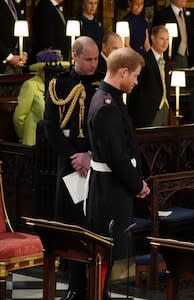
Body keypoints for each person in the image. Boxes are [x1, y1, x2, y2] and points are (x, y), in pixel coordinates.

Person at [87, 47, 150, 298]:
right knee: (110, 253)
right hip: (110, 190)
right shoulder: (106, 105)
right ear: (123, 72)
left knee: (117, 252)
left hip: (113, 186)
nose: (136, 82)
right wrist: (138, 185)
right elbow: (116, 157)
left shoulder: (106, 98)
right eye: (134, 76)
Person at [43, 36, 101, 300]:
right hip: (69, 164)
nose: (93, 64)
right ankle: (74, 284)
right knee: (71, 224)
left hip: (96, 162)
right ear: (75, 56)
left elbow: (106, 130)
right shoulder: (58, 84)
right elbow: (51, 129)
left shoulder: (103, 83)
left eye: (96, 59)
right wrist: (74, 156)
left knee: (94, 225)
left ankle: (97, 287)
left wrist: (89, 154)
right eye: (88, 59)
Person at [13, 49, 66, 146]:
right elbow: (19, 117)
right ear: (40, 69)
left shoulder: (59, 85)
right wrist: (22, 135)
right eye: (48, 70)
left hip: (55, 142)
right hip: (34, 141)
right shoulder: (31, 85)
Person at [128, 25, 170, 127]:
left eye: (167, 39)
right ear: (153, 38)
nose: (165, 43)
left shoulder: (167, 61)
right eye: (162, 39)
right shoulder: (144, 60)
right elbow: (135, 89)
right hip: (148, 112)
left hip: (165, 109)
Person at [152, 0, 193, 68]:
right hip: (169, 56)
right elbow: (156, 36)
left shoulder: (186, 14)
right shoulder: (162, 14)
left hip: (186, 56)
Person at [0, 0, 27, 74]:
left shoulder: (15, 4)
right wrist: (9, 57)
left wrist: (23, 53)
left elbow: (22, 27)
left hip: (18, 57)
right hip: (3, 59)